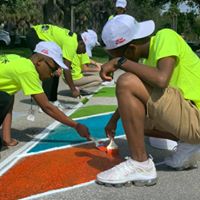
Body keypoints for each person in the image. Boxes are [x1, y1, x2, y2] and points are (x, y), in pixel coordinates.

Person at [96, 14, 200, 186]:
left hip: (196, 114)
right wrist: (114, 120)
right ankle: (189, 142)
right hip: (190, 114)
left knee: (126, 81)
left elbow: (161, 79)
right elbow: (136, 99)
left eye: (116, 54)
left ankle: (140, 164)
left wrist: (119, 62)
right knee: (137, 123)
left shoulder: (165, 36)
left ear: (130, 49)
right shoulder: (148, 59)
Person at [0, 41, 90, 148]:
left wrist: (7, 138)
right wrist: (76, 125)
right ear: (39, 61)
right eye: (53, 68)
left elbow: (8, 100)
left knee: (7, 97)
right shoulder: (27, 70)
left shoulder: (18, 61)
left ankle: (6, 138)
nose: (54, 73)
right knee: (5, 98)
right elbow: (47, 107)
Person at [26, 24, 82, 108]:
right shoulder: (72, 43)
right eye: (85, 49)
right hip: (35, 35)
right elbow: (66, 69)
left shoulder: (72, 39)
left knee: (55, 69)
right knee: (48, 68)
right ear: (81, 43)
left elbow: (62, 66)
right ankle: (45, 103)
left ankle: (52, 99)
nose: (83, 53)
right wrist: (73, 89)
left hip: (39, 34)